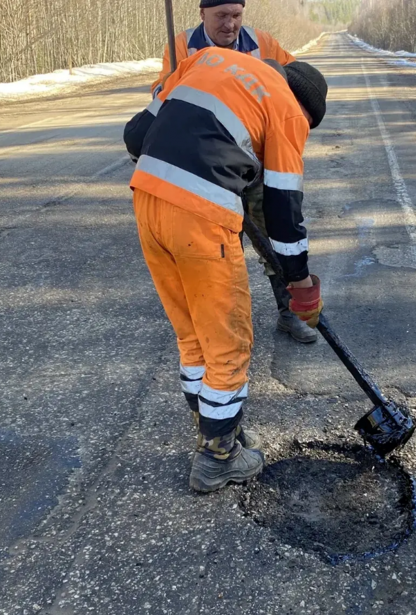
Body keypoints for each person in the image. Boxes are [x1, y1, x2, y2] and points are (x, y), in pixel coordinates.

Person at [124, 49, 328, 492]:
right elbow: (282, 210)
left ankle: (217, 430)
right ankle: (219, 458)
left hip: (147, 203)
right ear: (307, 112)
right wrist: (300, 282)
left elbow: (135, 135)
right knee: (229, 344)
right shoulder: (289, 111)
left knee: (194, 335)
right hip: (199, 217)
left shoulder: (209, 59)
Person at [153, 0, 317, 345]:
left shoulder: (261, 42)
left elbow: (297, 82)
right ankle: (224, 328)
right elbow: (159, 95)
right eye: (221, 17)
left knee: (275, 236)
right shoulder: (181, 46)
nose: (230, 25)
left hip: (257, 168)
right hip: (208, 171)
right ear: (202, 14)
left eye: (236, 15)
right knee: (220, 250)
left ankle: (288, 312)